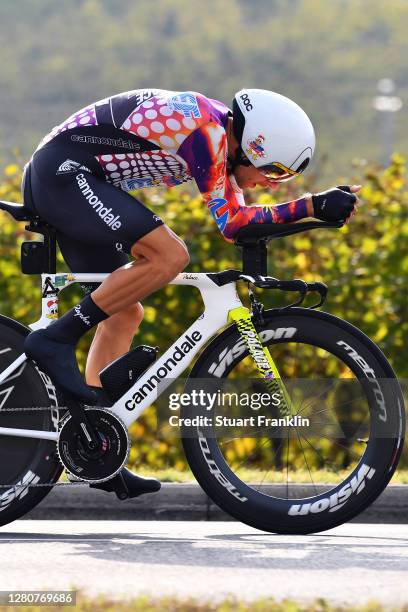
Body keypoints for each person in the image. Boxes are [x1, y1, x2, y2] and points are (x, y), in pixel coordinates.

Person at [23, 88, 359, 493]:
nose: (271, 184)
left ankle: (96, 443)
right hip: (64, 173)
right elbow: (233, 224)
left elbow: (242, 221)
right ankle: (56, 338)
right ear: (252, 147)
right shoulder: (207, 132)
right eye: (273, 171)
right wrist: (308, 206)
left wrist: (314, 211)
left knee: (125, 312)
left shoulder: (218, 134)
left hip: (73, 175)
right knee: (168, 257)